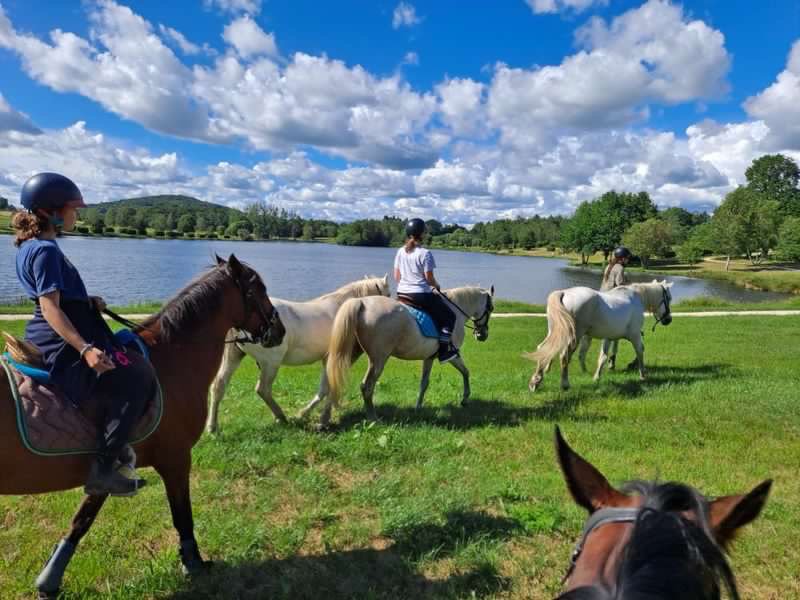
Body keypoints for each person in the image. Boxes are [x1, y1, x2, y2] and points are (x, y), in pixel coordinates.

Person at [12, 172, 156, 496]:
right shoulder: (46, 251)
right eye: (73, 209)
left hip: (52, 331)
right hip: (60, 340)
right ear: (51, 212)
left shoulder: (31, 247)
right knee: (137, 376)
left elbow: (50, 293)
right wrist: (85, 349)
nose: (77, 215)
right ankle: (104, 469)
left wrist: (86, 301)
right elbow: (50, 307)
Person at [394, 218, 459, 363]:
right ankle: (443, 352)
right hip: (420, 295)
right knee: (450, 317)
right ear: (422, 234)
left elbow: (396, 276)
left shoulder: (400, 251)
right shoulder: (425, 253)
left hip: (402, 294)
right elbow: (429, 279)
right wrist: (437, 286)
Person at [599, 246, 632, 369]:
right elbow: (620, 285)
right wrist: (631, 287)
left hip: (602, 296)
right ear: (622, 259)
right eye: (627, 258)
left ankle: (611, 360)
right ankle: (611, 360)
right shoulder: (620, 268)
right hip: (612, 299)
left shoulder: (609, 266)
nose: (628, 260)